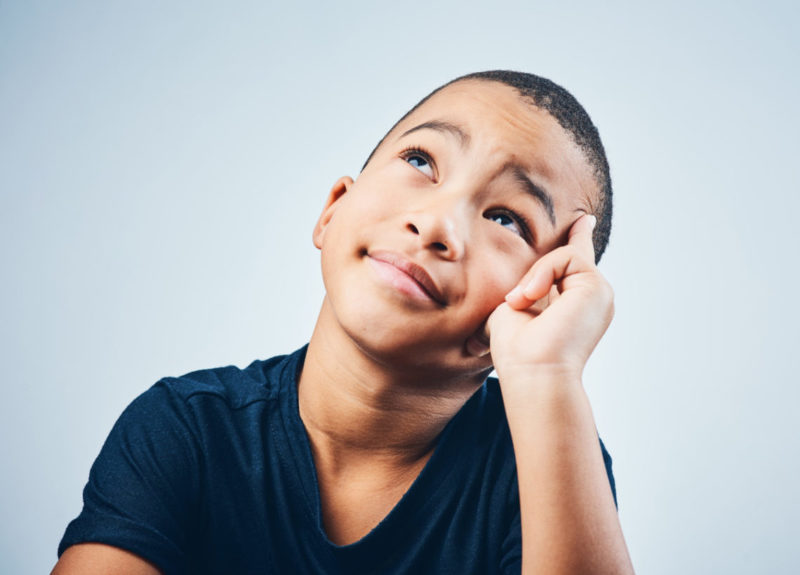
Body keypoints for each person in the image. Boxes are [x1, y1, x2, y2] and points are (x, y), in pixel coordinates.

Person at [52, 70, 634, 574]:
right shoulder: (187, 429)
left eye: (507, 218)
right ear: (333, 210)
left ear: (544, 298)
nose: (435, 224)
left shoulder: (541, 457)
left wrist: (546, 373)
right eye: (420, 161)